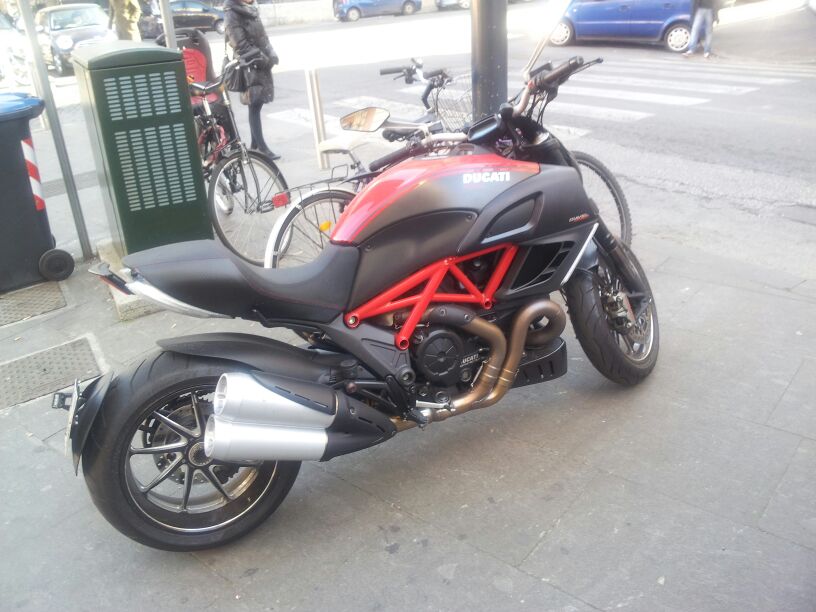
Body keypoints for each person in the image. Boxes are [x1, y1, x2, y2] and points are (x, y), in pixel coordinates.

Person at [224, 0, 279, 160]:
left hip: (260, 62)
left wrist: (272, 53)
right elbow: (240, 44)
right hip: (249, 64)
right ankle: (261, 148)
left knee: (256, 103)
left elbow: (263, 37)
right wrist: (263, 59)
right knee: (254, 104)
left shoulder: (251, 10)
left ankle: (255, 145)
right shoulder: (232, 13)